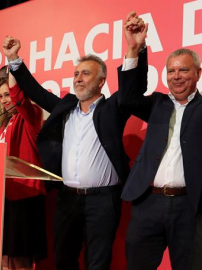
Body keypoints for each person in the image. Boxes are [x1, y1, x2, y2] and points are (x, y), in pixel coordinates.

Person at [1, 21, 147, 270]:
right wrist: (14, 58)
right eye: (76, 74)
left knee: (97, 263)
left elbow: (132, 91)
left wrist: (134, 51)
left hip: (102, 201)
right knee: (63, 260)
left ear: (101, 81)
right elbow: (35, 92)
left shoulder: (113, 108)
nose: (78, 79)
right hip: (67, 199)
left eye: (86, 74)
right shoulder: (65, 107)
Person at [118, 12, 202, 270]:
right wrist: (135, 48)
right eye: (171, 71)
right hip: (148, 203)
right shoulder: (157, 104)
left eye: (183, 70)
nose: (176, 76)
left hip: (189, 207)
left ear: (198, 73)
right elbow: (128, 98)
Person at [0, 66, 47, 270]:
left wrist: (13, 63)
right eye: (1, 96)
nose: (4, 99)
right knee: (4, 257)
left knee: (21, 260)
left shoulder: (31, 115)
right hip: (5, 199)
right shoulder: (3, 125)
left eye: (8, 94)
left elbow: (20, 100)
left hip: (25, 197)